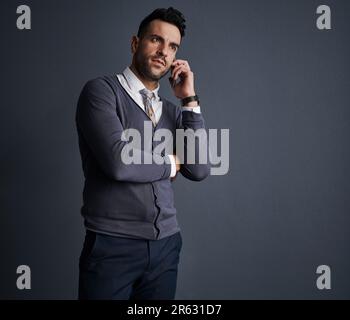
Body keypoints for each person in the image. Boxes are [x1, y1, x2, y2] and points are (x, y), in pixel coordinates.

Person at [75, 7, 210, 300]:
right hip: (113, 245)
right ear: (135, 43)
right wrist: (171, 164)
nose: (164, 51)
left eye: (172, 46)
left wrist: (189, 100)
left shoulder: (173, 113)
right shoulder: (101, 92)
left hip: (166, 246)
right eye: (156, 40)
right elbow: (119, 162)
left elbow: (199, 168)